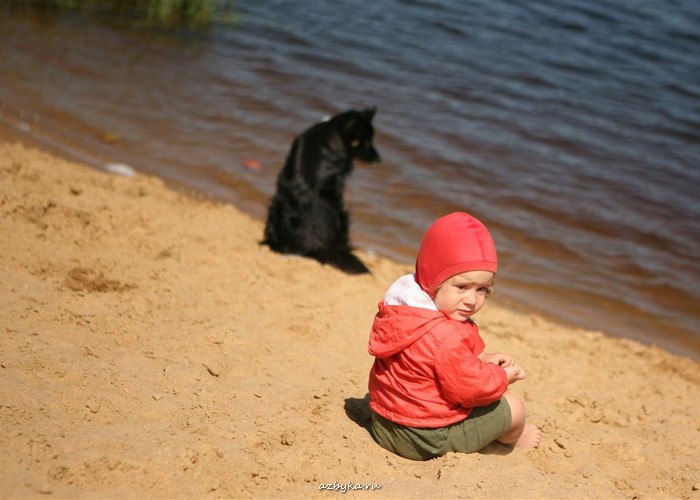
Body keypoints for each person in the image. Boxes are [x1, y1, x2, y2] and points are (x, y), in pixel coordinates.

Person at [367, 212, 541, 460]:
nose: (472, 300)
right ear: (435, 279)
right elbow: (470, 391)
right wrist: (502, 376)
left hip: (384, 421)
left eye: (482, 289)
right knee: (514, 408)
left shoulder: (404, 309)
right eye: (462, 287)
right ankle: (513, 440)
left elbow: (435, 363)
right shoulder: (447, 335)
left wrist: (485, 358)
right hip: (422, 439)